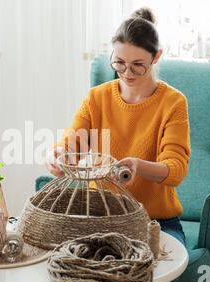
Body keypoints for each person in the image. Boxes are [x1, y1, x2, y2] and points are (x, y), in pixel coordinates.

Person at [46, 7, 190, 245]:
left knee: (145, 267)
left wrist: (138, 166)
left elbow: (175, 170)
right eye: (119, 63)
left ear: (157, 56)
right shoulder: (97, 98)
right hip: (100, 217)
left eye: (138, 65)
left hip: (155, 222)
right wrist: (57, 155)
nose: (126, 73)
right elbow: (72, 145)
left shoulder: (173, 103)